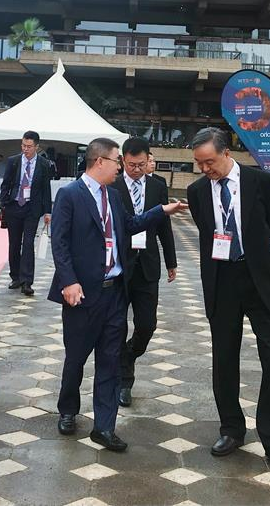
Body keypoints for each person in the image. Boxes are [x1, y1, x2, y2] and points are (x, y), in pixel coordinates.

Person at [49, 137, 188, 450]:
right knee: (76, 357)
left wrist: (162, 210)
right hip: (83, 294)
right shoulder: (70, 195)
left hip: (115, 294)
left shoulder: (112, 196)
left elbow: (130, 224)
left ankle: (104, 426)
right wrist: (68, 282)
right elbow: (60, 242)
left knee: (110, 361)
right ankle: (68, 410)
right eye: (117, 161)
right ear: (100, 161)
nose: (120, 167)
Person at [186, 128, 270, 469]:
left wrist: (252, 252)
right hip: (222, 280)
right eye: (199, 164)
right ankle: (231, 428)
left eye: (210, 162)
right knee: (224, 358)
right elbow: (206, 230)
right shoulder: (197, 191)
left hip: (260, 278)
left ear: (226, 153)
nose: (205, 169)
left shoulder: (262, 182)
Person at [112, 137, 177, 407]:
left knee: (147, 325)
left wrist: (171, 261)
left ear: (148, 159)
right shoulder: (113, 186)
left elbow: (163, 226)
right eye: (131, 165)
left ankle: (129, 355)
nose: (136, 169)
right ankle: (123, 381)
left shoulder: (157, 186)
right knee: (117, 326)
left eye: (141, 164)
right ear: (123, 160)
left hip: (148, 265)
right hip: (120, 266)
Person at [0, 131, 52, 296]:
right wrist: (3, 205)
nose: (25, 149)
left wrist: (48, 211)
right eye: (23, 145)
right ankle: (15, 276)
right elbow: (5, 184)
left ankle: (27, 281)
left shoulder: (44, 164)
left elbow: (46, 188)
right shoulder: (14, 161)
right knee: (14, 243)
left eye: (29, 146)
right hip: (14, 206)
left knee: (28, 244)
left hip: (32, 208)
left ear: (37, 147)